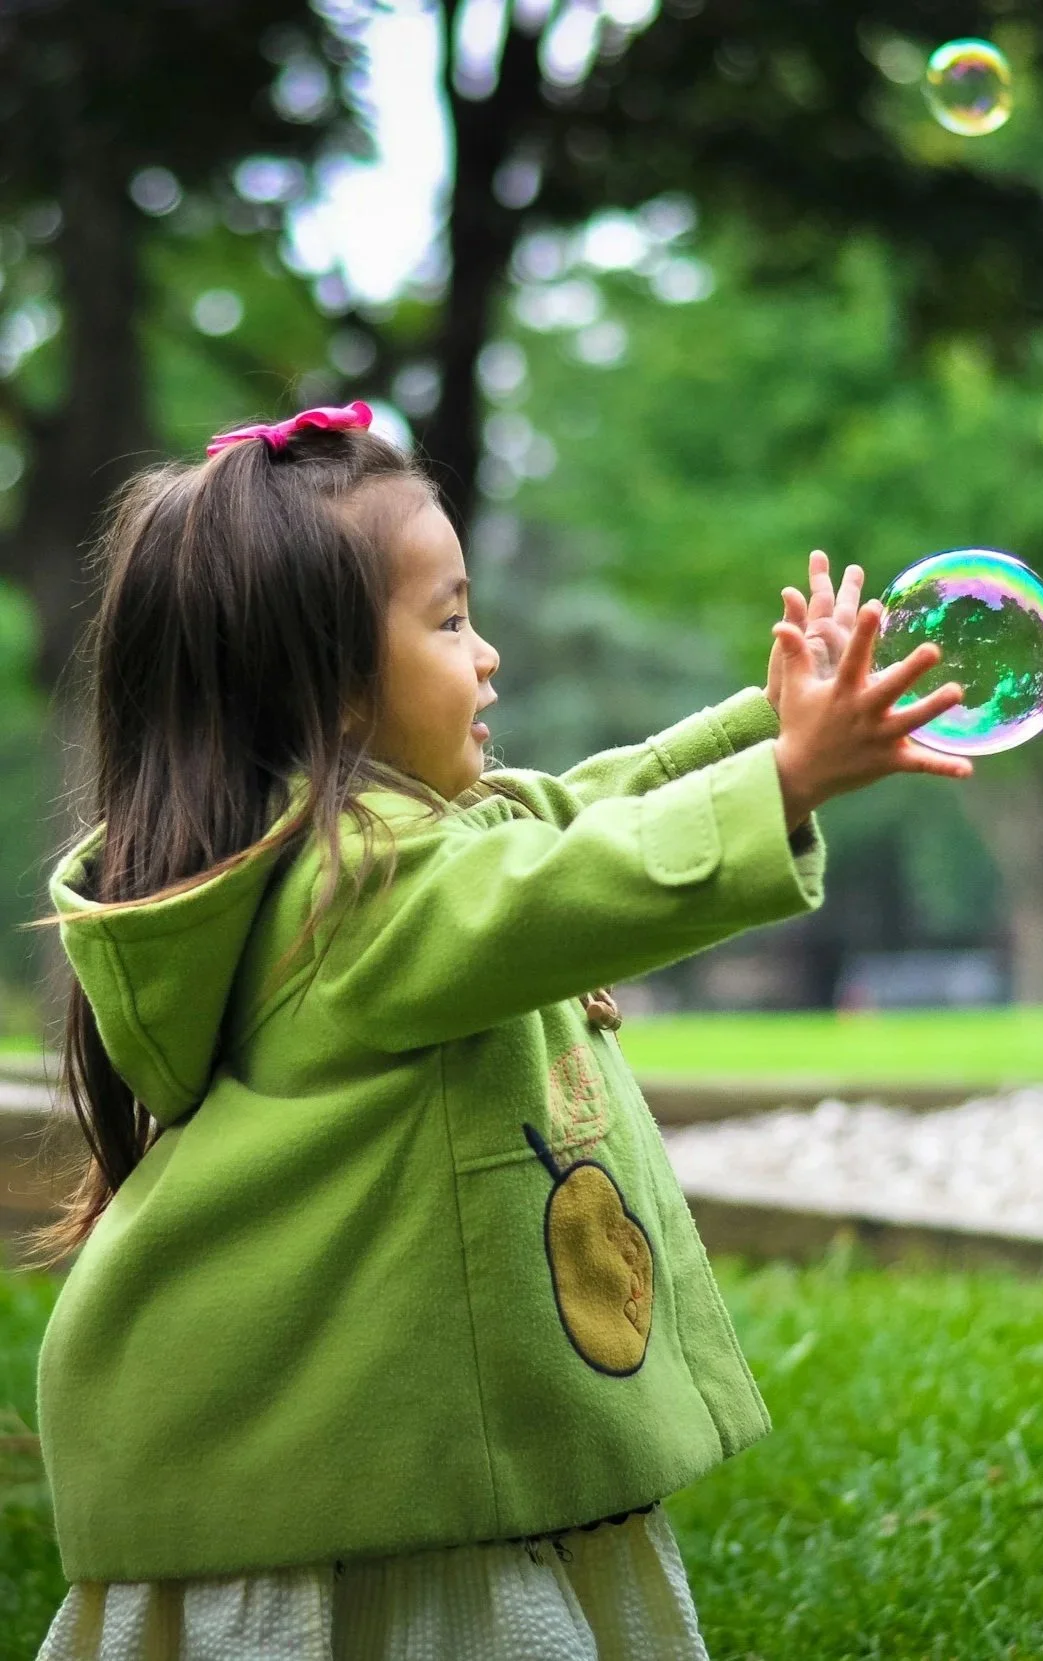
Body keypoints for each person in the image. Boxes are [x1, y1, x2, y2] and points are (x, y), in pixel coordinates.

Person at [23, 401, 970, 1661]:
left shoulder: (388, 851)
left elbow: (580, 807)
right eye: (451, 617)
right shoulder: (353, 896)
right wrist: (785, 781)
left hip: (397, 1462)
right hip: (363, 1501)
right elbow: (571, 882)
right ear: (337, 688)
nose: (489, 656)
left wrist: (763, 726)